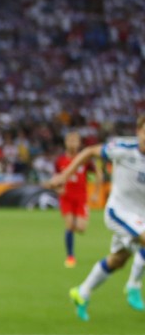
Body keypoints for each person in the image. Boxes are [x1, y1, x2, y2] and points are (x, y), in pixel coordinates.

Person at [47, 115, 145, 320]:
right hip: (119, 212)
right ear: (138, 131)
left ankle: (82, 292)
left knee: (118, 260)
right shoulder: (123, 148)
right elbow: (90, 152)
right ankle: (133, 285)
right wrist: (64, 177)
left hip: (140, 216)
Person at [52, 131, 97, 268]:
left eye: (74, 141)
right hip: (66, 198)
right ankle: (70, 256)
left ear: (79, 143)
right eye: (69, 140)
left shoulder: (85, 159)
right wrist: (58, 189)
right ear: (65, 142)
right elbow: (56, 179)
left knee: (81, 228)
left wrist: (96, 191)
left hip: (81, 198)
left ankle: (84, 214)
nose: (72, 143)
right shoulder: (60, 160)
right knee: (70, 225)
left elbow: (97, 174)